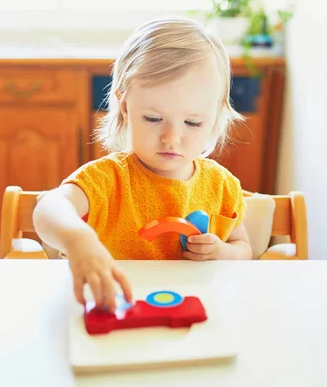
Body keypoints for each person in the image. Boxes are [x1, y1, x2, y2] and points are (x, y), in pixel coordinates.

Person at [32, 16, 252, 312]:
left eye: (192, 122)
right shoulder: (108, 179)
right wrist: (78, 240)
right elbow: (49, 208)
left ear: (216, 115)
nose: (171, 138)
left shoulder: (221, 186)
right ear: (125, 106)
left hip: (193, 316)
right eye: (153, 118)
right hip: (120, 313)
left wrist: (224, 253)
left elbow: (244, 248)